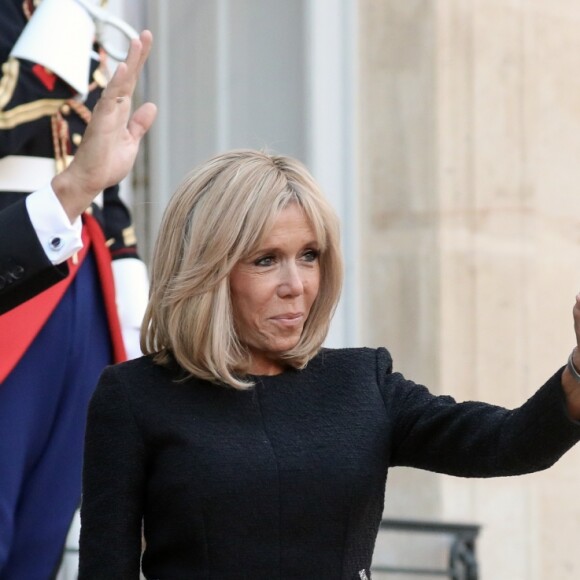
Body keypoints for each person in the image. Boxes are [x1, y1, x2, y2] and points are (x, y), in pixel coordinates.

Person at [76, 36, 580, 580]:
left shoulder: (364, 382)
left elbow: (508, 444)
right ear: (208, 271)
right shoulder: (133, 398)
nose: (297, 284)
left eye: (309, 255)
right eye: (266, 260)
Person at [0, 0, 156, 572]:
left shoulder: (75, 21)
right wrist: (54, 42)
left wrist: (130, 289)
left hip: (80, 279)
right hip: (10, 278)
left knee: (48, 524)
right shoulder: (56, 23)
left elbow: (102, 179)